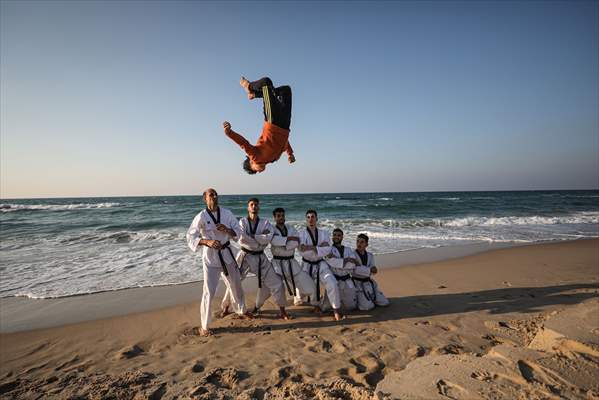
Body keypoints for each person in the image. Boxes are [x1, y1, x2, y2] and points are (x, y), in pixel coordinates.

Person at [186, 188, 250, 336]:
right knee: (208, 291)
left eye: (215, 194)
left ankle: (241, 310)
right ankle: (205, 326)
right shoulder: (201, 216)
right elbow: (190, 236)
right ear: (205, 199)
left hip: (227, 254)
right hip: (210, 258)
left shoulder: (227, 214)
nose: (214, 197)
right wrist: (206, 241)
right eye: (211, 195)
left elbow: (238, 233)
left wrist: (227, 230)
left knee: (236, 284)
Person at [221, 198, 290, 319]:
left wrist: (254, 237)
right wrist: (259, 241)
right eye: (251, 205)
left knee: (277, 283)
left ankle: (282, 310)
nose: (254, 206)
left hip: (260, 257)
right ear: (248, 208)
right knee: (233, 283)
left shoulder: (265, 222)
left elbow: (268, 237)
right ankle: (226, 307)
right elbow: (242, 238)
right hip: (245, 256)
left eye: (256, 205)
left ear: (258, 207)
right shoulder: (242, 222)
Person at [223, 76, 295, 174]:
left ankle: (249, 86)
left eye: (255, 170)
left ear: (251, 162)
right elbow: (284, 142)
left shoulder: (255, 156)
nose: (259, 171)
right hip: (285, 125)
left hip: (272, 121)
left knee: (266, 82)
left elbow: (243, 144)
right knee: (286, 90)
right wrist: (290, 154)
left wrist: (229, 133)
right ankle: (256, 94)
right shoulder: (273, 159)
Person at [298, 210, 343, 321]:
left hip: (321, 264)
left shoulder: (324, 233)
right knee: (308, 288)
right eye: (308, 217)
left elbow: (327, 250)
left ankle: (336, 310)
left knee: (332, 283)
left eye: (313, 217)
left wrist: (311, 247)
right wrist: (319, 247)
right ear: (306, 220)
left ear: (317, 219)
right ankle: (315, 305)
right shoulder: (301, 234)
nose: (311, 219)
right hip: (307, 264)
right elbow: (302, 251)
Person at [270, 207, 317, 305]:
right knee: (274, 287)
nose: (281, 218)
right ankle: (258, 306)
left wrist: (283, 242)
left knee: (309, 285)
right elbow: (273, 240)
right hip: (277, 264)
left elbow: (296, 242)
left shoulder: (291, 228)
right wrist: (288, 239)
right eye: (278, 216)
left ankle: (313, 303)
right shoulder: (271, 229)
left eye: (282, 215)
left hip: (291, 262)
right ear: (274, 218)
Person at [324, 228, 359, 312]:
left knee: (352, 307)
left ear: (342, 237)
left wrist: (338, 261)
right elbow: (332, 262)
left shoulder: (348, 249)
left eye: (339, 235)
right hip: (334, 281)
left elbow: (353, 265)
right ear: (332, 237)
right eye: (334, 235)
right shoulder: (328, 250)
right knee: (326, 308)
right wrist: (346, 260)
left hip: (347, 281)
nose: (336, 237)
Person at [352, 233, 390, 310]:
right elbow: (354, 269)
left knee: (385, 302)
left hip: (368, 282)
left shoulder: (370, 255)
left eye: (362, 242)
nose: (359, 244)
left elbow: (374, 271)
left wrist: (367, 269)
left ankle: (370, 298)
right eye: (357, 241)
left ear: (366, 244)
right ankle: (361, 300)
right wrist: (369, 270)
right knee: (367, 307)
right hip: (357, 283)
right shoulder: (352, 254)